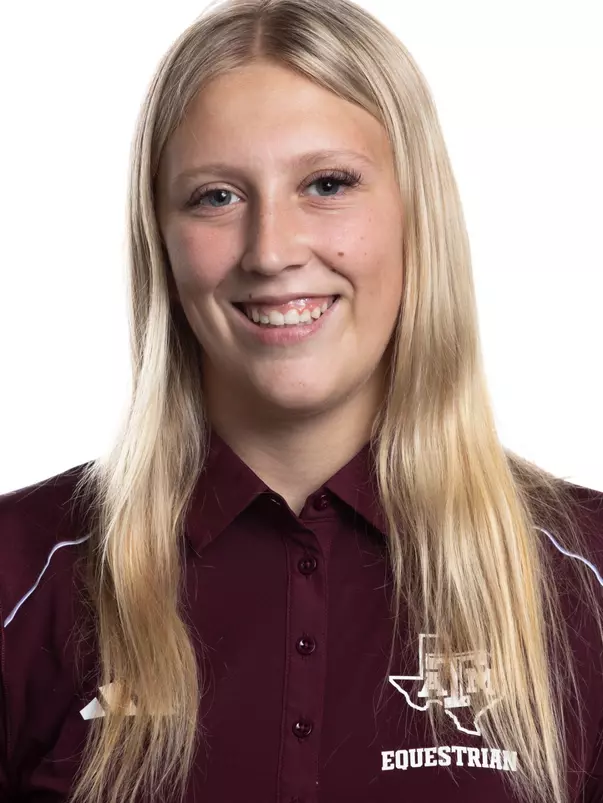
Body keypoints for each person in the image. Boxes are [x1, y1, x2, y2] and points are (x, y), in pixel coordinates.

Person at [1, 0, 602, 801]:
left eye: (327, 183)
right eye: (216, 196)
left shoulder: (585, 576)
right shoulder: (19, 573)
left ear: (416, 213)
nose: (272, 250)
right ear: (161, 238)